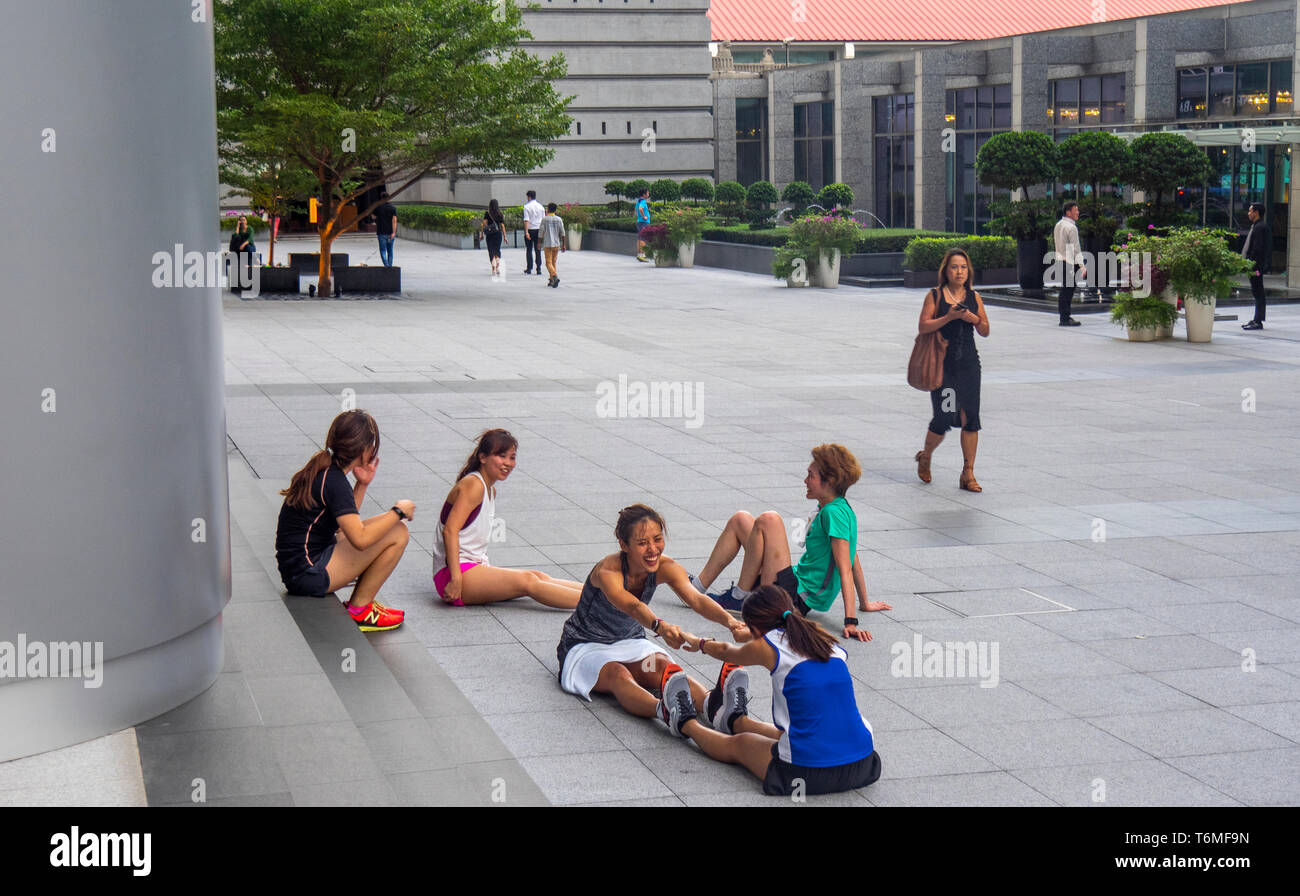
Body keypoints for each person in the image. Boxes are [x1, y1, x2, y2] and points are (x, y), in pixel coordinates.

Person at [664, 585, 882, 797]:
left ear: (756, 629)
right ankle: (734, 721)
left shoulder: (767, 647)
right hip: (863, 763)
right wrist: (752, 635)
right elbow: (782, 638)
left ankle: (685, 722)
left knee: (741, 745)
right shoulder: (821, 637)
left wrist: (699, 643)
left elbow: (726, 651)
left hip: (806, 772)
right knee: (794, 731)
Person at [555, 504, 753, 728]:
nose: (653, 549)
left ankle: (712, 705)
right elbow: (633, 606)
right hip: (584, 646)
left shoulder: (665, 566)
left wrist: (731, 622)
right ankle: (665, 711)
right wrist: (661, 627)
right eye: (642, 543)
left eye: (657, 539)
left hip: (631, 642)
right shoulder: (608, 571)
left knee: (661, 666)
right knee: (618, 673)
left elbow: (696, 598)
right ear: (623, 545)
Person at [694, 445, 890, 642]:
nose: (805, 481)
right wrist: (864, 602)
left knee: (770, 520)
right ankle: (696, 588)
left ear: (829, 481)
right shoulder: (837, 507)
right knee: (741, 519)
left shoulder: (833, 514)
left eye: (811, 476)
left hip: (795, 599)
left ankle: (740, 598)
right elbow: (853, 555)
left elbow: (846, 566)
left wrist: (851, 621)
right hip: (792, 582)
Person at [275, 410, 412, 632]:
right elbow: (359, 539)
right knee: (398, 531)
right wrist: (398, 511)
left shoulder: (328, 472)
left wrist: (362, 484)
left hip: (300, 570)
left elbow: (343, 529)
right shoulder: (334, 481)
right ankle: (361, 608)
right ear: (364, 450)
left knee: (386, 528)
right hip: (307, 575)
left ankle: (362, 603)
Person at [433, 429, 585, 609]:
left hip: (472, 567)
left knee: (537, 575)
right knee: (527, 581)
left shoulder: (489, 490)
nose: (508, 463)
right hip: (453, 573)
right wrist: (456, 579)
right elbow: (450, 530)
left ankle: (603, 593)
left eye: (512, 457)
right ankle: (601, 606)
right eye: (501, 456)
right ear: (483, 457)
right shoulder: (474, 485)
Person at [914, 248, 990, 493]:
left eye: (963, 267)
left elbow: (986, 330)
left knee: (971, 417)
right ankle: (926, 455)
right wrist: (948, 317)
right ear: (945, 271)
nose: (959, 271)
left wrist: (973, 319)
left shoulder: (973, 297)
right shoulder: (935, 296)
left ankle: (968, 473)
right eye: (954, 267)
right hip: (942, 366)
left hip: (969, 365)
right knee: (945, 416)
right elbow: (924, 326)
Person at [1053, 201, 1085, 326]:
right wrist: (1082, 265)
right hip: (1070, 262)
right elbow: (1076, 248)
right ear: (1068, 212)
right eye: (1075, 210)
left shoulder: (1058, 225)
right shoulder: (1071, 227)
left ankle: (1064, 316)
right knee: (1068, 290)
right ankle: (1065, 318)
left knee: (1065, 289)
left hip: (1060, 260)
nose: (1078, 212)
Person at [1242, 202, 1271, 330]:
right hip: (1255, 265)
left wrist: (1250, 263)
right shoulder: (1258, 226)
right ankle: (1256, 319)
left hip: (1255, 266)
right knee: (1257, 291)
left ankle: (1258, 321)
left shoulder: (1260, 227)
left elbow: (1258, 248)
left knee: (1258, 291)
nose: (1249, 213)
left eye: (1250, 211)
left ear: (1256, 212)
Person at [540, 203, 567, 287]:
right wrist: (563, 244)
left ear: (547, 209)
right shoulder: (559, 219)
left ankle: (554, 276)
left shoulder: (544, 219)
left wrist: (539, 242)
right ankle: (552, 280)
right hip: (556, 243)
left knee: (548, 262)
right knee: (553, 262)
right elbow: (563, 233)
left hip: (548, 244)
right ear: (555, 210)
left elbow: (541, 232)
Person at [227, 216, 256, 292]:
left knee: (246, 246)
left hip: (250, 248)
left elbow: (250, 239)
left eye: (244, 220)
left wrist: (243, 245)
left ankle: (254, 259)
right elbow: (236, 237)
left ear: (246, 221)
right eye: (241, 220)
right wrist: (237, 226)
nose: (242, 221)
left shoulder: (250, 228)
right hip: (242, 249)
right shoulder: (239, 229)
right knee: (235, 240)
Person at [480, 199, 506, 279]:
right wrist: (505, 236)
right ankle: (497, 267)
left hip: (490, 234)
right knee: (497, 250)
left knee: (491, 250)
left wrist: (481, 234)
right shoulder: (500, 214)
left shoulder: (487, 213)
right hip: (498, 234)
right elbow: (502, 226)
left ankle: (494, 269)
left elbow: (484, 224)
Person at [522, 190, 545, 275]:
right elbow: (543, 220)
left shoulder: (526, 207)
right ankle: (538, 268)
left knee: (529, 249)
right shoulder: (541, 207)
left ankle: (529, 268)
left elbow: (526, 220)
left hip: (531, 229)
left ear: (529, 197)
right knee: (537, 249)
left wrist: (526, 232)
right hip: (539, 230)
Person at [374, 192, 398, 267]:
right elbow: (394, 220)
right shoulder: (393, 208)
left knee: (382, 250)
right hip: (390, 232)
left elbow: (373, 217)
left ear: (381, 198)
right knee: (390, 250)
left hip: (381, 231)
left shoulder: (378, 207)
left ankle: (386, 265)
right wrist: (394, 232)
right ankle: (390, 266)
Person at [634, 187, 652, 262]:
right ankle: (643, 255)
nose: (648, 194)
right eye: (647, 193)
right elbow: (640, 209)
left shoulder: (638, 201)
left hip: (639, 222)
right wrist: (644, 216)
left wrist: (639, 216)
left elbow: (636, 210)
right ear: (644, 194)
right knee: (643, 238)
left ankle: (639, 254)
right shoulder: (643, 201)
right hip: (644, 222)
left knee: (639, 238)